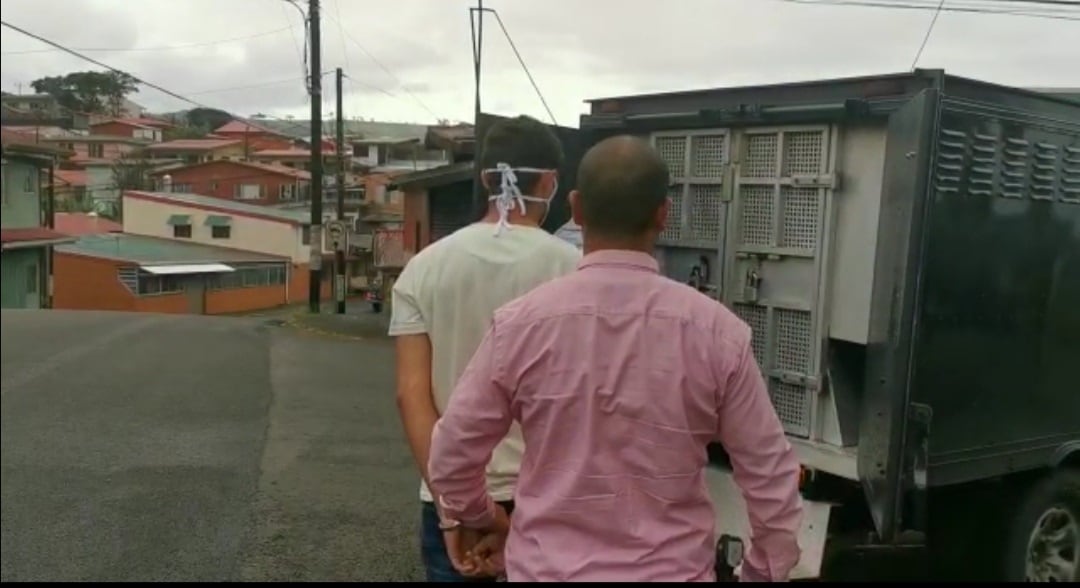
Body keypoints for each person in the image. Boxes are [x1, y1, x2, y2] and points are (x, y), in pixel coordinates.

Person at [427, 135, 804, 582]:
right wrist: (760, 572)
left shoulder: (521, 325)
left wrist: (481, 514)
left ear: (577, 208)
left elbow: (451, 456)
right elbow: (771, 478)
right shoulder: (717, 333)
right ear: (663, 214)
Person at [389, 115, 582, 582]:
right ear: (551, 182)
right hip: (548, 496)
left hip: (450, 492)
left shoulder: (423, 268)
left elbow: (411, 395)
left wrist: (451, 506)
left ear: (484, 180)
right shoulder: (576, 271)